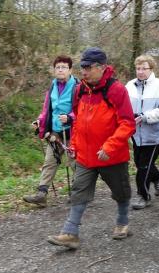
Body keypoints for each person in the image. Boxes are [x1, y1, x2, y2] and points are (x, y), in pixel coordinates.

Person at [47, 48, 136, 249]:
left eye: (88, 67)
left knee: (121, 191)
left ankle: (122, 222)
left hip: (110, 156)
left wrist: (110, 146)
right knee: (79, 191)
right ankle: (70, 233)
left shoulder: (116, 90)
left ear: (101, 67)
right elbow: (77, 120)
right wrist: (75, 145)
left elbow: (127, 123)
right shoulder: (80, 89)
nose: (83, 71)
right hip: (86, 156)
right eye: (82, 67)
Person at [24, 55, 78, 207]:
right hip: (55, 133)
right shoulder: (52, 87)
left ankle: (80, 193)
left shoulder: (78, 87)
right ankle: (41, 195)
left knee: (75, 164)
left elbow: (82, 109)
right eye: (58, 67)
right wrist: (40, 121)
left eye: (64, 67)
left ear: (70, 70)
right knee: (49, 162)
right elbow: (47, 110)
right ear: (54, 70)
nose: (60, 70)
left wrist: (70, 117)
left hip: (73, 132)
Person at [125, 55, 159, 210]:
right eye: (138, 68)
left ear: (151, 69)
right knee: (140, 163)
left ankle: (143, 196)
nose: (141, 71)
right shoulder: (129, 85)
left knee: (143, 166)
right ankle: (158, 177)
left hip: (154, 135)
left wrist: (145, 117)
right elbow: (123, 106)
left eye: (144, 68)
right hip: (136, 134)